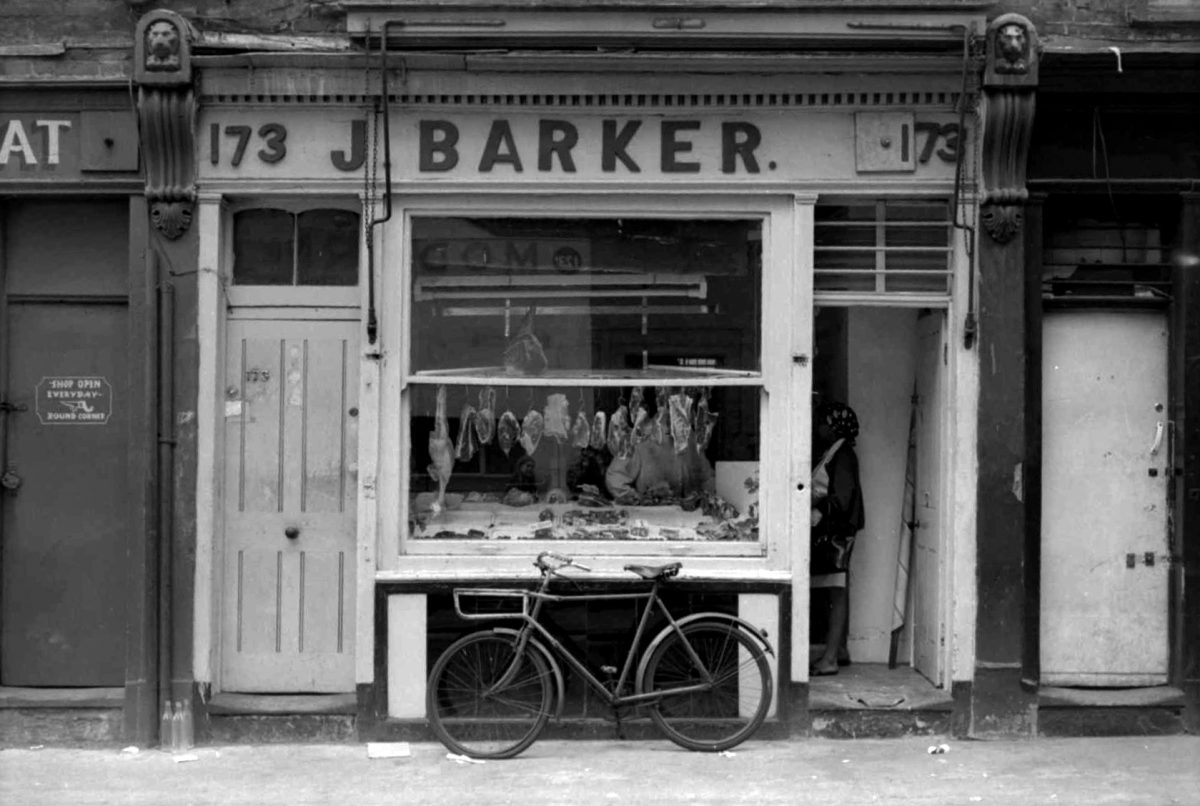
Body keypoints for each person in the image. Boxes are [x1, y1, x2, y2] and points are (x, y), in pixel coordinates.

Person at [808, 401, 865, 676]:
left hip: (837, 534)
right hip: (836, 532)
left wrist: (819, 509)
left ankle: (830, 658)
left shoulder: (842, 456)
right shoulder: (837, 452)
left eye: (823, 423)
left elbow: (842, 499)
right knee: (835, 591)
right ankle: (837, 650)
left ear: (834, 427)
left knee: (836, 592)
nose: (819, 428)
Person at [605, 424, 714, 505]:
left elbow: (707, 477)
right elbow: (614, 478)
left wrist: (708, 499)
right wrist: (637, 499)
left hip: (687, 513)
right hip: (650, 514)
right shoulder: (641, 436)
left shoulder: (690, 436)